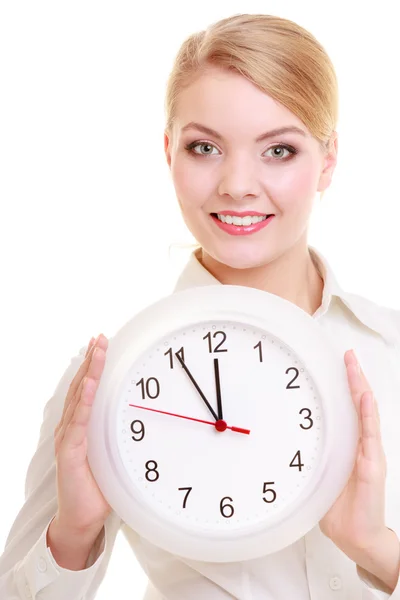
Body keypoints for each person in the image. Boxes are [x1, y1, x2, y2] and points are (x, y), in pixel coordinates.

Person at [1, 11, 400, 600]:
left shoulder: (391, 348)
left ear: (329, 159)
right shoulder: (108, 381)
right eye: (205, 146)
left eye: (279, 151)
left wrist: (373, 543)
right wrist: (75, 532)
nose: (237, 184)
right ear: (169, 152)